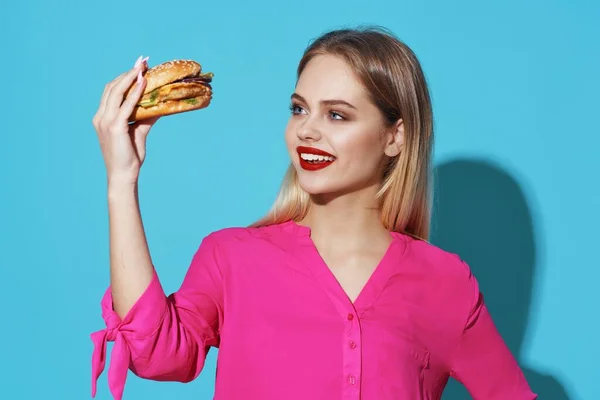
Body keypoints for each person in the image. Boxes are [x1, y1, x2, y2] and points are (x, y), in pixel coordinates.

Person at [90, 27, 537, 400]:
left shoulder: (444, 282)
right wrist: (121, 182)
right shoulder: (232, 258)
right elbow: (155, 353)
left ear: (394, 138)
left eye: (337, 116)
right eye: (299, 108)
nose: (306, 129)